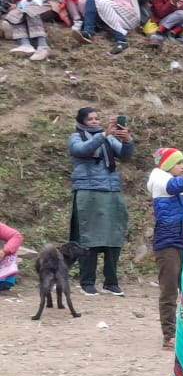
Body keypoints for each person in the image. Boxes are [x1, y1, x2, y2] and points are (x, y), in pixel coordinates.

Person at [69, 107, 135, 296]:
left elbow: (125, 155)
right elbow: (81, 150)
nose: (96, 122)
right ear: (82, 121)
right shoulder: (77, 137)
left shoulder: (108, 138)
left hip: (112, 190)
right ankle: (87, 281)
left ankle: (111, 282)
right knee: (89, 239)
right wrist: (104, 134)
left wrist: (127, 139)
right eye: (91, 119)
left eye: (97, 118)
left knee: (114, 237)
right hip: (88, 192)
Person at [148, 147, 183, 349]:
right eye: (179, 163)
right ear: (168, 165)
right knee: (169, 290)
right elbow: (178, 184)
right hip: (167, 243)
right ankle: (169, 335)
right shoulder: (160, 180)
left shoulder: (182, 188)